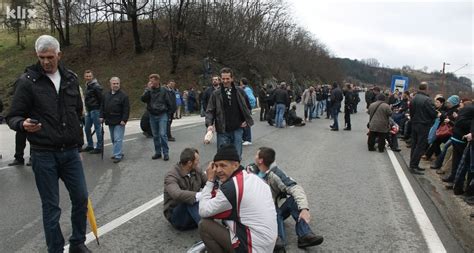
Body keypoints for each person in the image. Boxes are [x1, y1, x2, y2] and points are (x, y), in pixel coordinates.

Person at [7, 35, 90, 253]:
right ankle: (55, 248)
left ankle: (78, 243)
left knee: (81, 198)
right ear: (37, 56)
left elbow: (76, 114)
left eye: (50, 57)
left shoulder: (71, 78)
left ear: (59, 55)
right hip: (43, 154)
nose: (46, 62)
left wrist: (79, 146)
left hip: (70, 152)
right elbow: (12, 116)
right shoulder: (27, 81)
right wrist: (22, 124)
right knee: (51, 207)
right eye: (41, 57)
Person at [198, 144, 277, 252]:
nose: (218, 170)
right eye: (216, 166)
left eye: (223, 165)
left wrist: (210, 180)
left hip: (252, 249)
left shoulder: (231, 187)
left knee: (204, 225)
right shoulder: (253, 177)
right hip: (267, 244)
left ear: (235, 165)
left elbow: (203, 211)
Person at [252, 147, 324, 250]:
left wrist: (304, 209)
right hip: (258, 213)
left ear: (260, 160)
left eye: (256, 155)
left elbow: (296, 188)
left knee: (293, 201)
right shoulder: (250, 171)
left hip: (274, 209)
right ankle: (277, 240)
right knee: (271, 209)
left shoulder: (275, 174)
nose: (254, 156)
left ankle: (304, 235)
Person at [205, 68, 254, 159]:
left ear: (232, 78)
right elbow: (210, 110)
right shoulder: (216, 94)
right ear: (221, 79)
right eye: (223, 79)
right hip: (222, 130)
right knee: (222, 157)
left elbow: (247, 107)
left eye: (227, 78)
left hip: (237, 129)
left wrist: (246, 120)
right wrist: (209, 124)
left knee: (236, 156)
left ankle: (236, 172)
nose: (225, 81)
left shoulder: (240, 92)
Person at [164, 148, 206, 230]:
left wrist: (214, 180)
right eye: (197, 160)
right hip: (176, 216)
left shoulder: (197, 170)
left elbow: (207, 183)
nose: (199, 162)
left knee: (209, 195)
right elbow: (177, 194)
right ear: (189, 163)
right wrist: (199, 195)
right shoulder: (171, 175)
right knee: (191, 200)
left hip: (192, 213)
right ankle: (209, 232)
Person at [141, 74, 174, 161]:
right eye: (150, 81)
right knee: (155, 135)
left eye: (153, 81)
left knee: (162, 134)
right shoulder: (149, 90)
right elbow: (143, 99)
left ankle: (166, 153)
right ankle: (158, 152)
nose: (151, 82)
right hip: (152, 114)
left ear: (157, 81)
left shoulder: (164, 90)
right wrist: (147, 89)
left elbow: (169, 102)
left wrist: (169, 115)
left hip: (162, 114)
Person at [409, 82, 438, 174]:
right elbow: (433, 113)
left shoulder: (414, 98)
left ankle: (413, 164)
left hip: (414, 123)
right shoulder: (427, 100)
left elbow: (411, 112)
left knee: (414, 145)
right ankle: (413, 166)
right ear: (426, 88)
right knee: (420, 146)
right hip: (423, 125)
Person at [100, 77, 130, 163]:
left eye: (117, 83)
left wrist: (124, 119)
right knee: (113, 139)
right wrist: (101, 116)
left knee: (117, 138)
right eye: (114, 84)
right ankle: (118, 151)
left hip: (119, 121)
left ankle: (117, 155)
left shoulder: (124, 96)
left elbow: (126, 109)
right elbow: (102, 106)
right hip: (110, 120)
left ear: (119, 84)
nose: (116, 85)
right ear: (110, 84)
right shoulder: (106, 95)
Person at [82, 69, 103, 154]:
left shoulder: (96, 86)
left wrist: (101, 112)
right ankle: (90, 145)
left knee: (98, 128)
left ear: (92, 76)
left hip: (96, 109)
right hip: (89, 110)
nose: (88, 77)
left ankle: (99, 147)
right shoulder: (87, 85)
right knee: (87, 128)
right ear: (84, 77)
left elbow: (101, 99)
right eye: (87, 76)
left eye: (90, 76)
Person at [240, 78, 255, 146]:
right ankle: (244, 138)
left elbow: (252, 99)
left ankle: (248, 139)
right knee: (243, 123)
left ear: (242, 83)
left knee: (246, 123)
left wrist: (249, 107)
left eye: (240, 82)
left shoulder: (247, 90)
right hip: (244, 108)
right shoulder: (245, 89)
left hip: (246, 109)